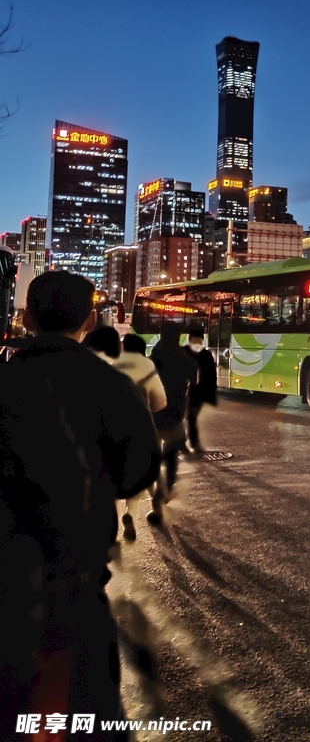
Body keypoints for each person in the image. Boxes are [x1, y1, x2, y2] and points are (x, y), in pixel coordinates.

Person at [0, 271, 160, 738]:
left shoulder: (7, 379)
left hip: (7, 584)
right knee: (88, 716)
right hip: (76, 585)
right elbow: (138, 472)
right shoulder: (112, 386)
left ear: (26, 318)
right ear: (89, 320)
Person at [113, 335, 167, 540]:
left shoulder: (114, 363)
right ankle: (134, 512)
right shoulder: (146, 364)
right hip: (143, 428)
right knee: (148, 468)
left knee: (126, 471)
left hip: (116, 429)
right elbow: (160, 401)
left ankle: (150, 507)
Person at [149, 324, 198, 524]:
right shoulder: (185, 357)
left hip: (154, 412)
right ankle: (168, 487)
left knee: (152, 457)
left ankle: (157, 504)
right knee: (170, 455)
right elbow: (194, 383)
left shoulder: (155, 355)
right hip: (176, 412)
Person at [183, 327, 217, 453]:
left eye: (200, 341)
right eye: (195, 341)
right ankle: (186, 442)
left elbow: (212, 376)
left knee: (190, 417)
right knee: (185, 417)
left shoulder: (206, 355)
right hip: (181, 391)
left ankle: (192, 442)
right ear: (190, 340)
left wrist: (211, 395)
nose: (198, 344)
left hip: (197, 393)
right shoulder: (183, 352)